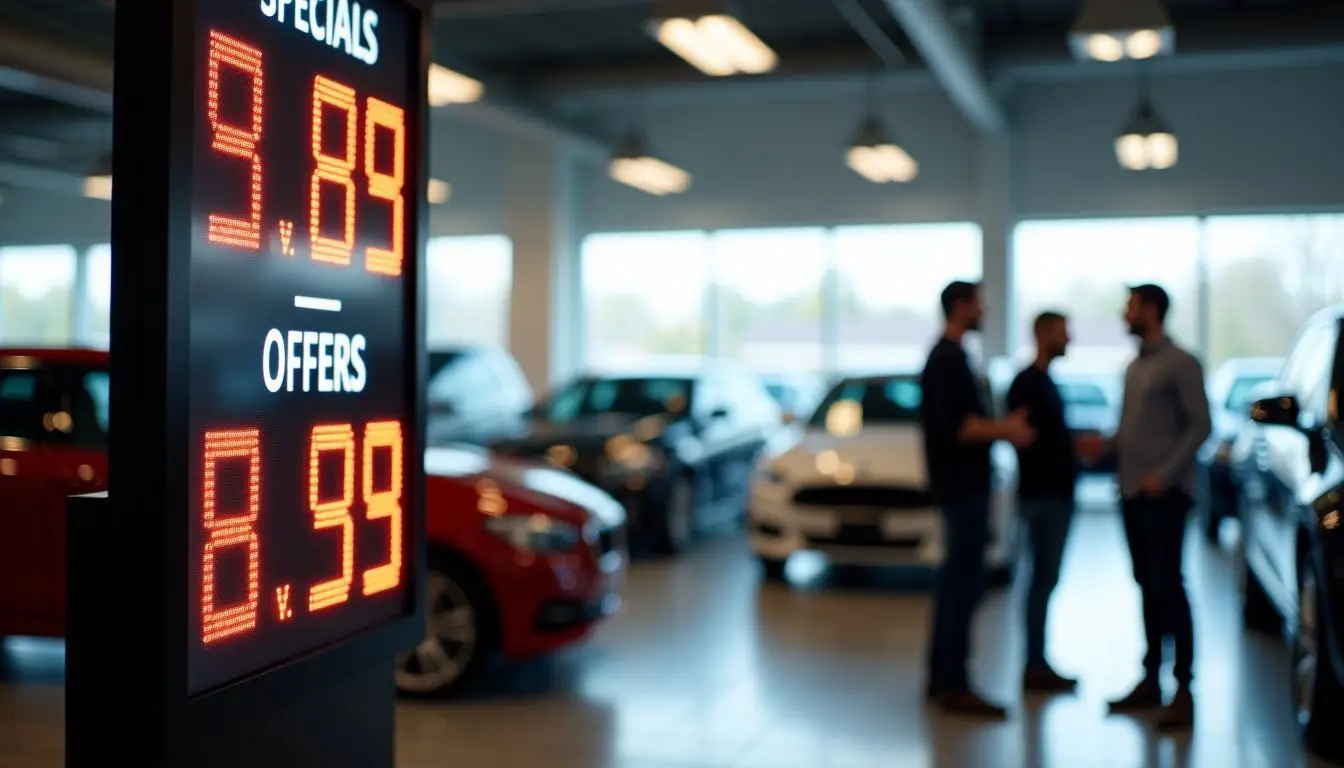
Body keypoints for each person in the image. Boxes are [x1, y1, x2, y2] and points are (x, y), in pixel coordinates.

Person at [1082, 284, 1211, 730]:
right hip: (1133, 494)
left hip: (1165, 496)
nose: (1125, 313)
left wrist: (1167, 473)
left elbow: (1200, 426)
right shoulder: (1134, 366)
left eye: (1131, 306)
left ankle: (1184, 689)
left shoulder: (1182, 363)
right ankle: (1150, 679)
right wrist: (1105, 446)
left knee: (1169, 586)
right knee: (1146, 585)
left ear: (1151, 310)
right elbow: (1128, 429)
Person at [920, 280, 1036, 717]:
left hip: (960, 485)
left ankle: (941, 675)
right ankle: (954, 683)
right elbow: (962, 427)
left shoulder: (951, 355)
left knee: (954, 582)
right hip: (962, 487)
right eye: (979, 303)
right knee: (964, 585)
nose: (984, 310)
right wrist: (1006, 430)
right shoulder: (947, 359)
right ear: (961, 307)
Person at [1006, 311, 1080, 693]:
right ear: (1042, 333)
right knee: (1040, 580)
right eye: (1064, 332)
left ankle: (1038, 661)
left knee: (1043, 580)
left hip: (1053, 494)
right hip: (1043, 497)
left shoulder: (1044, 382)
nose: (1070, 339)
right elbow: (1027, 439)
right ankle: (1035, 664)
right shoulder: (1027, 384)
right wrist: (1072, 449)